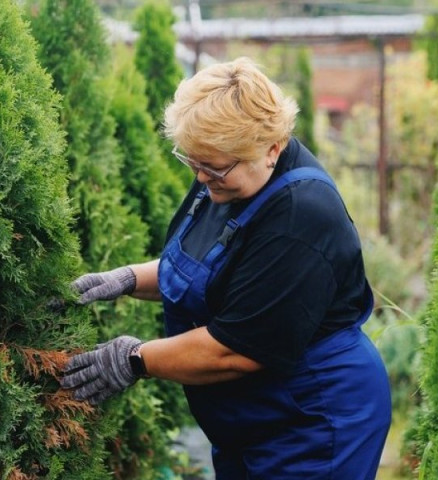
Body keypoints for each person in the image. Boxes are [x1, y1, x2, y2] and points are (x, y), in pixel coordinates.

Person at [60, 57, 391, 479]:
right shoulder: (226, 178)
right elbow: (209, 271)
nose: (201, 178)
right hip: (252, 418)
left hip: (312, 418)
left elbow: (236, 349)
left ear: (272, 149)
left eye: (214, 167)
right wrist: (125, 279)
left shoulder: (300, 214)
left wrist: (135, 359)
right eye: (193, 162)